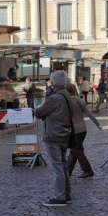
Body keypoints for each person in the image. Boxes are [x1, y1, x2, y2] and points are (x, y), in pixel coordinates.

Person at [35, 70, 73, 207]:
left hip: (54, 135)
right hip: (64, 134)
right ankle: (66, 195)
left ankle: (60, 197)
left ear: (53, 83)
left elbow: (39, 112)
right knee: (63, 166)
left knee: (58, 168)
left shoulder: (54, 98)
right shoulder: (66, 95)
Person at [65, 83, 102, 178]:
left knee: (77, 150)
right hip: (82, 129)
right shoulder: (79, 100)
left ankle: (88, 170)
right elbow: (89, 114)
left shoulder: (68, 101)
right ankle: (68, 171)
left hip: (74, 130)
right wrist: (97, 124)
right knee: (74, 151)